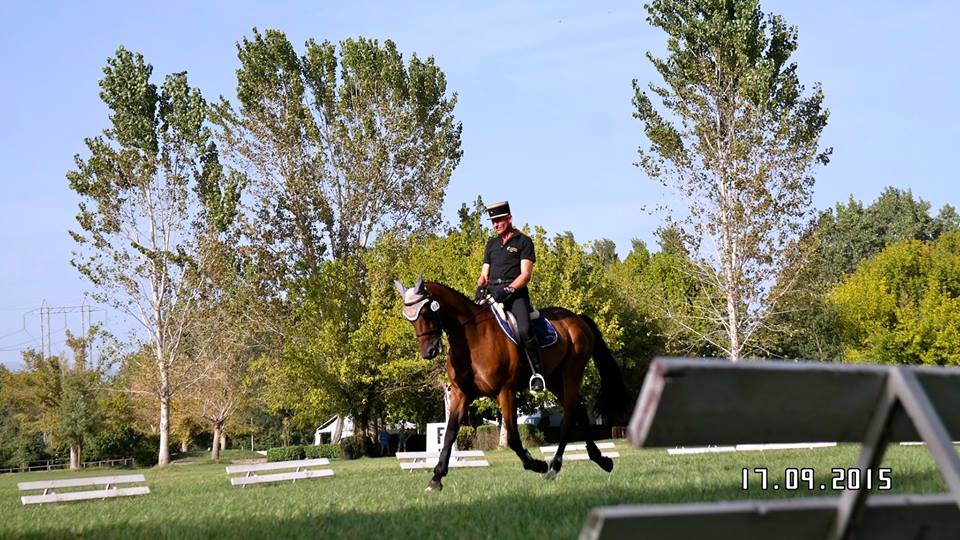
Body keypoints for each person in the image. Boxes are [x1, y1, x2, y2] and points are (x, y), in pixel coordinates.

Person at [477, 201, 545, 392]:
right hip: (492, 294)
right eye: (493, 222)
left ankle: (536, 374)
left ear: (509, 218)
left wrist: (508, 290)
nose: (495, 225)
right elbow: (484, 274)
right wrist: (480, 286)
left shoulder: (523, 241)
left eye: (499, 220)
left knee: (524, 329)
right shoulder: (491, 244)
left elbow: (525, 275)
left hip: (515, 296)